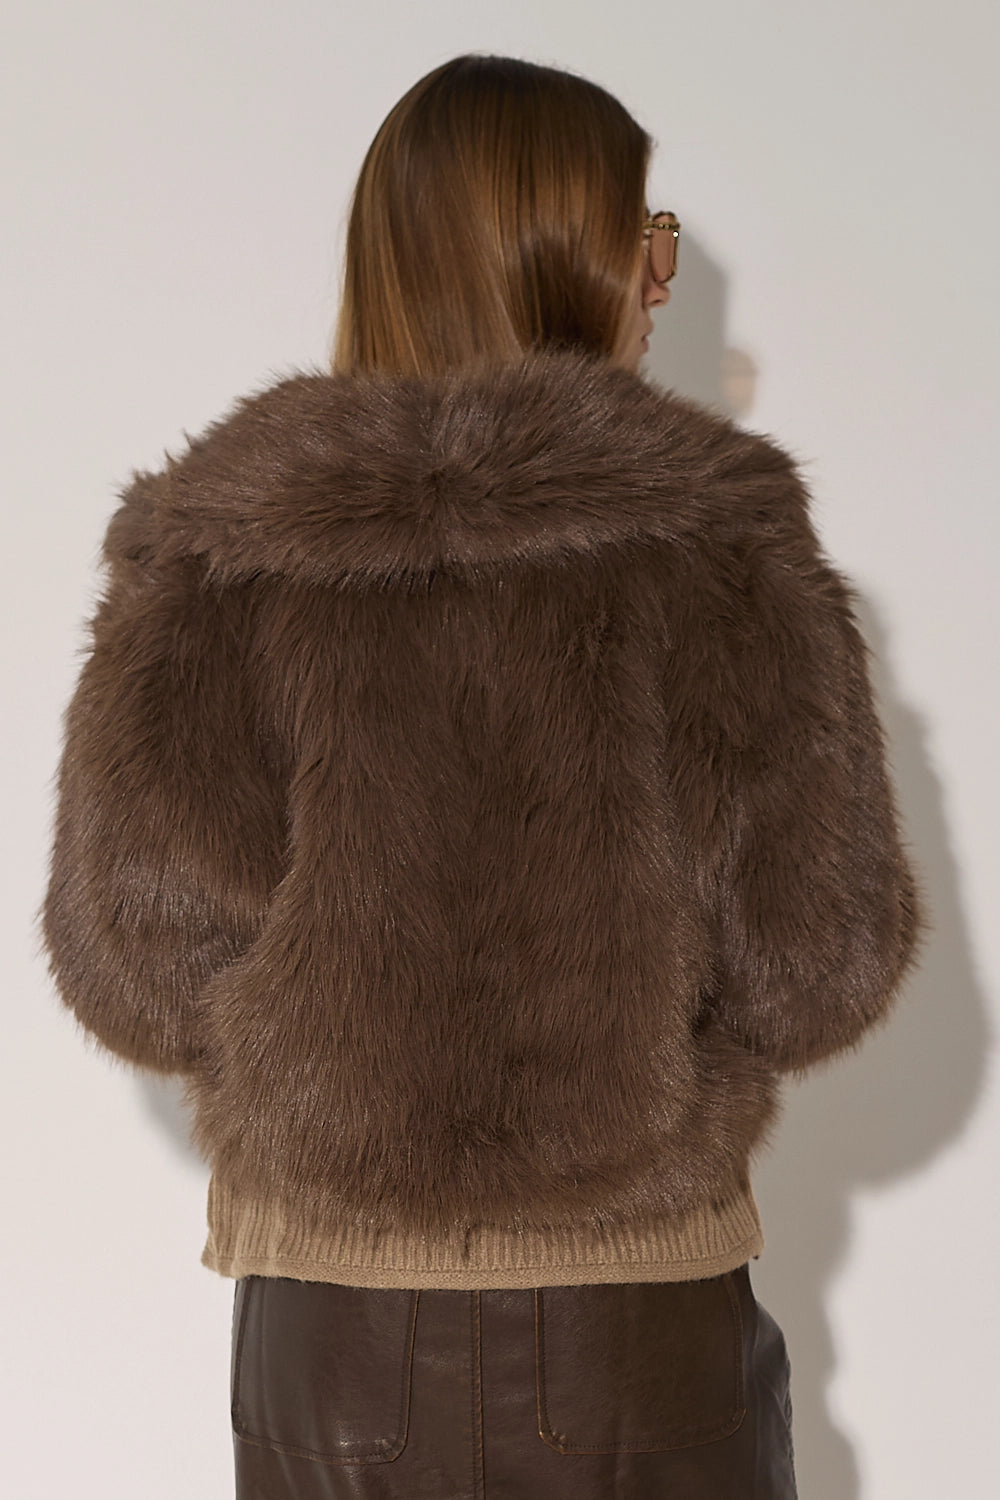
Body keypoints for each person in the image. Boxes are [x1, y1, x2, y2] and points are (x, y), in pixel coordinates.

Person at [41, 53, 922, 1500]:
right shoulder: (722, 541)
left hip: (329, 1347)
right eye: (646, 236)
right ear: (565, 255)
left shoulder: (213, 550)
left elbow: (131, 970)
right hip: (634, 1331)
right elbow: (818, 966)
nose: (661, 278)